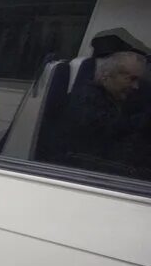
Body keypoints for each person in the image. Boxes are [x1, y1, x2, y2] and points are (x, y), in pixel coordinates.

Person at [57, 30, 149, 178]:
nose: (136, 86)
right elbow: (113, 132)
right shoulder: (87, 101)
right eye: (130, 79)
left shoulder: (115, 97)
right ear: (107, 75)